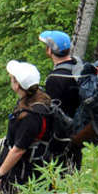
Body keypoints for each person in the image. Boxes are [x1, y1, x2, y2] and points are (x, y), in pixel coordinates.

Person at [0, 60, 51, 194]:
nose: (10, 80)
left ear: (17, 85)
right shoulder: (43, 101)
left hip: (21, 174)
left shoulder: (30, 117)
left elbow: (18, 150)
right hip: (37, 167)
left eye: (12, 79)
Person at [38, 30, 84, 170]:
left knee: (61, 177)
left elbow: (53, 113)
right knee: (74, 170)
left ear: (49, 50)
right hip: (81, 132)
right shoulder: (79, 68)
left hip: (63, 138)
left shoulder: (55, 79)